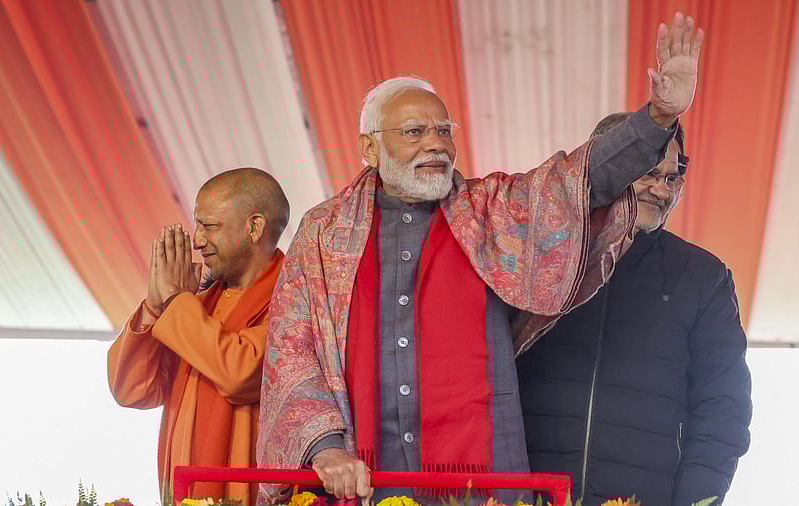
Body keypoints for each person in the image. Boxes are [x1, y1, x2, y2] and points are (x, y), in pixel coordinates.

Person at [258, 12, 704, 504]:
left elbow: (578, 182)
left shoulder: (494, 212)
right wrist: (324, 449)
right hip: (359, 480)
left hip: (480, 483)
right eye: (413, 132)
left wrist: (657, 118)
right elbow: (291, 352)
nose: (435, 143)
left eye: (444, 131)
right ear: (369, 148)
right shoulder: (324, 235)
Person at [517, 111, 753, 506]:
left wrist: (696, 501)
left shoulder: (702, 277)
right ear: (603, 165)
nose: (662, 191)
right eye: (648, 172)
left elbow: (723, 409)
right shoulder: (535, 254)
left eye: (672, 178)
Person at [107, 168, 290, 504]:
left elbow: (241, 374)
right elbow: (131, 390)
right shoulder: (198, 304)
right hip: (181, 492)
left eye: (210, 226)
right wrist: (155, 306)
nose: (197, 239)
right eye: (197, 225)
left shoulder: (294, 297)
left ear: (254, 227)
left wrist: (177, 302)